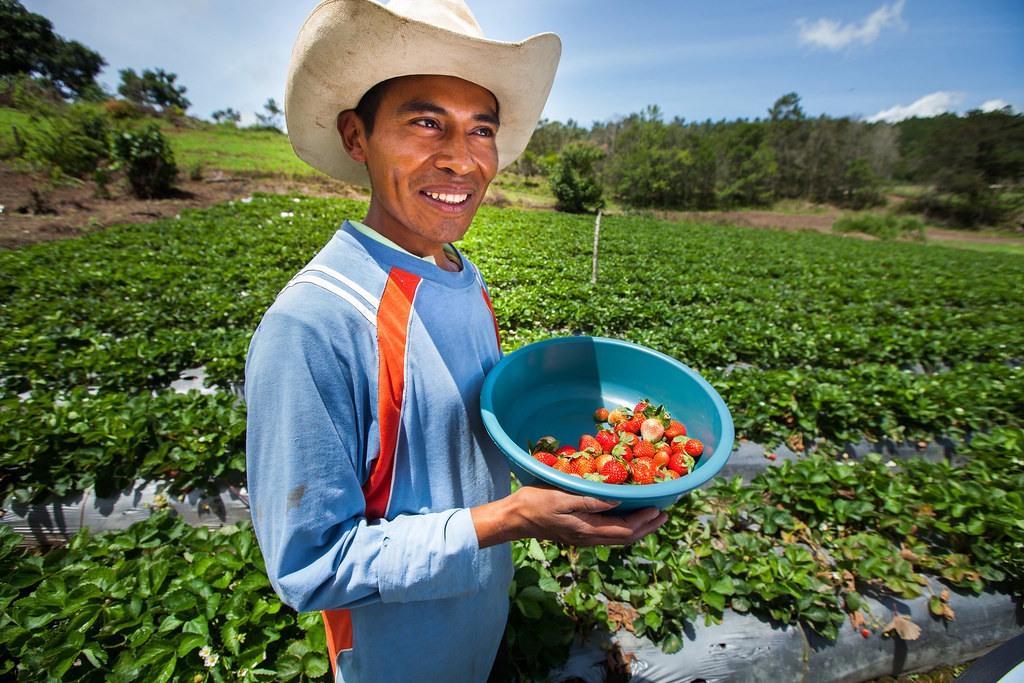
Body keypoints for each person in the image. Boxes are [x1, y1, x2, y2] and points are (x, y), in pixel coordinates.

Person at [244, 1, 668, 680]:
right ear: (357, 136)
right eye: (424, 122)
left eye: (481, 130)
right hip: (400, 659)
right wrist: (508, 521)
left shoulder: (460, 277)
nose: (460, 159)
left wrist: (566, 473)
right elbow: (309, 566)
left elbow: (461, 449)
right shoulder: (315, 324)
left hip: (481, 627)